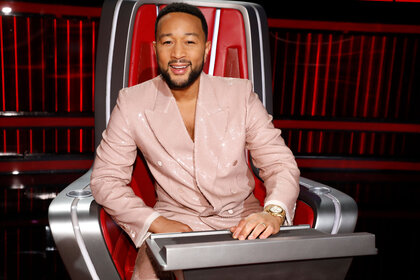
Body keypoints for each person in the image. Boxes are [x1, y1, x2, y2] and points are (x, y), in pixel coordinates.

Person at [90, 2, 300, 279]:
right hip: (175, 221)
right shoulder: (132, 102)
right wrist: (155, 222)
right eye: (168, 42)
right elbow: (105, 179)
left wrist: (273, 213)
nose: (178, 54)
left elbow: (279, 163)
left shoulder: (240, 94)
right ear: (155, 49)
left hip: (241, 219)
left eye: (189, 42)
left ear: (206, 48)